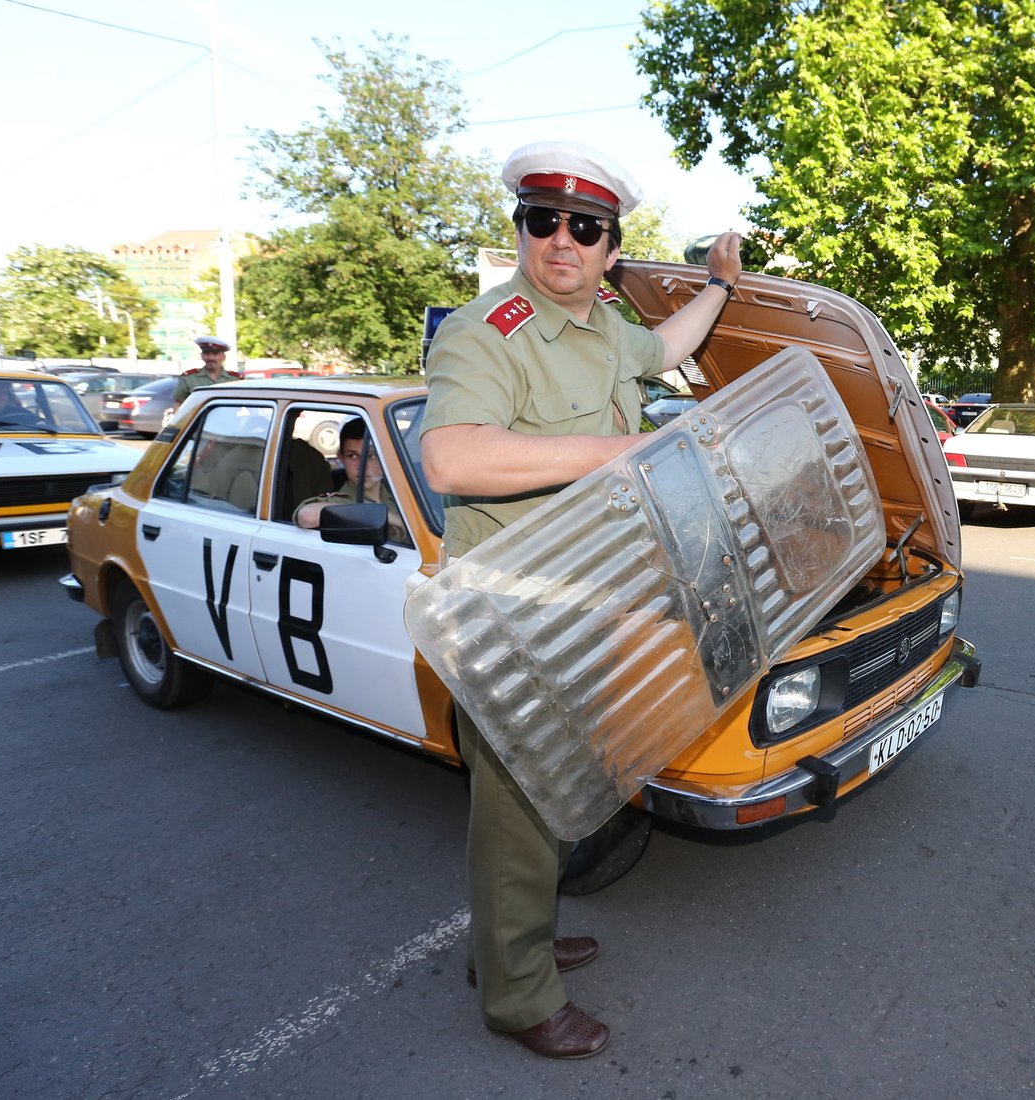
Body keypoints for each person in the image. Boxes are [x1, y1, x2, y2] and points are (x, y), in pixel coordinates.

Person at [420, 140, 742, 1060]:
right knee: (517, 802)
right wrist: (612, 455)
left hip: (587, 593)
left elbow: (666, 347)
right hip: (513, 605)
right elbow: (453, 458)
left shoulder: (604, 325)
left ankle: (507, 939)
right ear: (523, 231)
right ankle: (518, 992)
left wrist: (718, 286)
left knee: (561, 783)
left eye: (585, 228)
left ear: (608, 250)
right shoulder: (486, 331)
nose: (562, 240)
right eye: (543, 221)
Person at [293, 419, 409, 544]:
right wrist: (383, 514)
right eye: (352, 456)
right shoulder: (340, 502)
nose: (362, 466)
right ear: (341, 458)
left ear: (384, 457)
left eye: (372, 455)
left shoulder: (402, 495)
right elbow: (307, 516)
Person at [172, 335, 239, 411]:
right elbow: (179, 404)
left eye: (215, 354)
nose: (210, 358)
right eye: (206, 353)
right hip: (199, 422)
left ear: (223, 357)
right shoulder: (189, 378)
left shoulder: (235, 379)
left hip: (227, 421)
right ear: (202, 355)